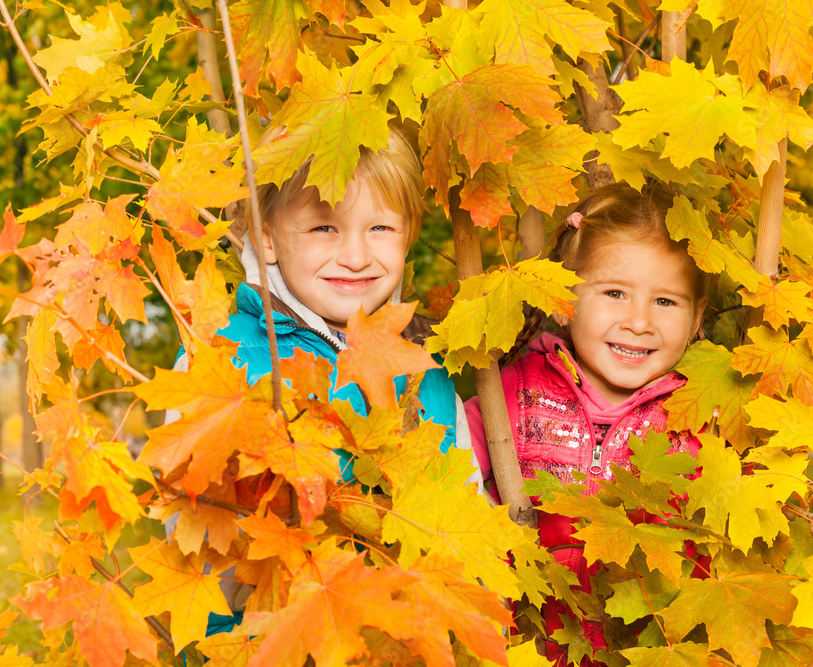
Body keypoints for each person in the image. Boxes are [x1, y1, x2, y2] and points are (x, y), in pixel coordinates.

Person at [168, 127, 474, 642]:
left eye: (379, 227)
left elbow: (467, 517)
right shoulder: (223, 360)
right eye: (324, 229)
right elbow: (197, 535)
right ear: (266, 236)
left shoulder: (427, 371)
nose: (355, 256)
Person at [465, 182, 711, 664]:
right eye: (615, 293)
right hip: (520, 646)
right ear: (565, 297)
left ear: (697, 315)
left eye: (665, 302)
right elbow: (451, 482)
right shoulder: (513, 395)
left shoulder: (699, 421)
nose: (638, 322)